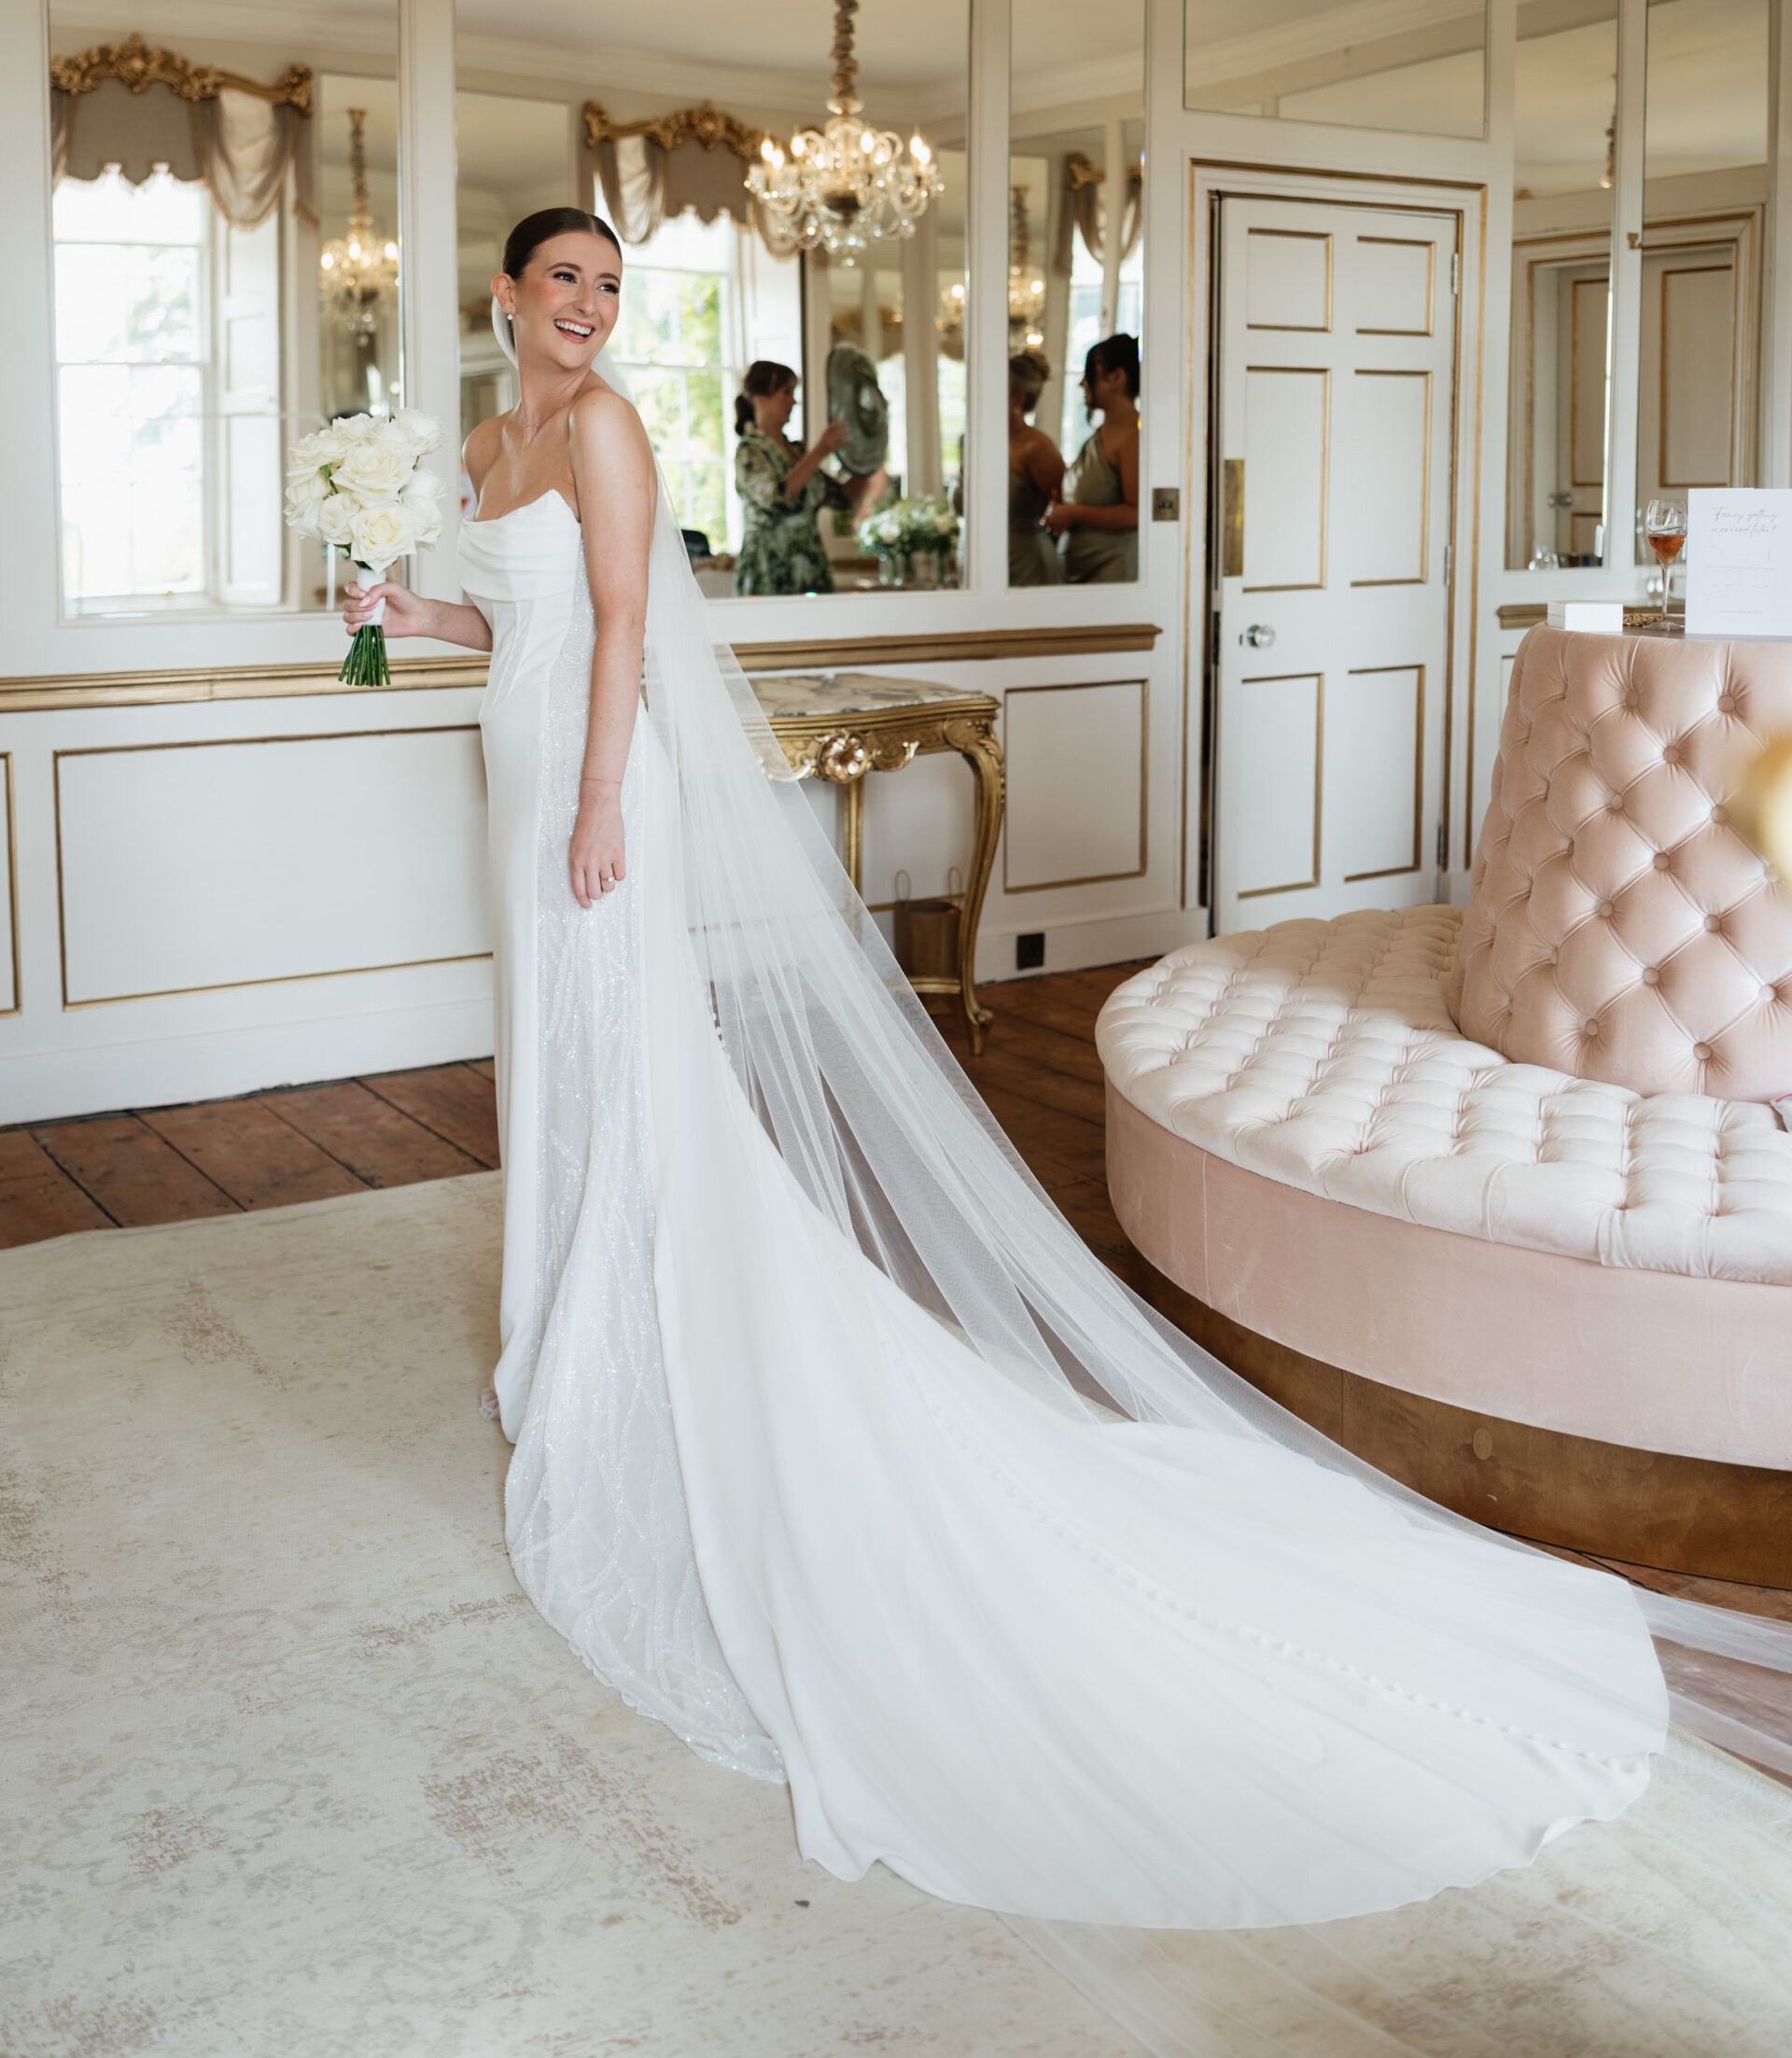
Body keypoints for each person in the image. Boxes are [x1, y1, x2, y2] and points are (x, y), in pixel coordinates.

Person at [343, 207, 1792, 2054]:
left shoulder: (614, 431)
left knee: (629, 1069)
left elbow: (629, 619)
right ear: (505, 301)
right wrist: (403, 601)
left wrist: (604, 806)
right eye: (566, 283)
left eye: (612, 287)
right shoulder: (487, 444)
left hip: (590, 800)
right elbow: (510, 615)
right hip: (519, 771)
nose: (590, 309)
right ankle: (570, 1317)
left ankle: (640, 1335)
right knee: (547, 1065)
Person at [731, 357, 858, 595]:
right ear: (760, 400)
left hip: (811, 569)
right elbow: (779, 497)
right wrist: (820, 450)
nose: (793, 401)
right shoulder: (750, 450)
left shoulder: (798, 452)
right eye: (786, 392)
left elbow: (841, 498)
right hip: (769, 572)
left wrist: (866, 461)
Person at [1047, 331, 1140, 581]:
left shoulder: (1133, 437)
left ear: (1117, 377)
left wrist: (1073, 513)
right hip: (1082, 574)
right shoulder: (1101, 434)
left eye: (1090, 374)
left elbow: (1136, 513)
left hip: (1113, 574)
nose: (1082, 383)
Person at [1007, 347, 1065, 586]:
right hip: (979, 563)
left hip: (1027, 565)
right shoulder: (973, 443)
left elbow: (1065, 503)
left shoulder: (1037, 447)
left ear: (1019, 399)